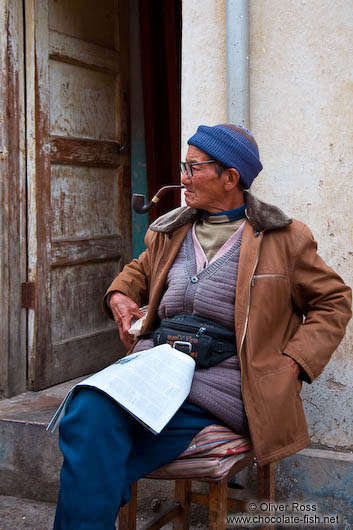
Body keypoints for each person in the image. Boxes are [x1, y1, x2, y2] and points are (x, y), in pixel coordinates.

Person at [53, 124, 351, 530]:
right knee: (85, 408)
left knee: (95, 440)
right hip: (155, 368)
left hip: (223, 383)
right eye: (184, 166)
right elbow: (136, 272)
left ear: (230, 177)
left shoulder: (284, 238)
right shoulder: (171, 231)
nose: (183, 177)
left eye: (193, 168)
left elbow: (334, 301)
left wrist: (293, 363)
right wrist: (119, 297)